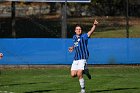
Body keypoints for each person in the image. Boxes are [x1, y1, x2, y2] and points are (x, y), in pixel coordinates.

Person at [68, 20, 98, 93]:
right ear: (75, 31)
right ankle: (85, 71)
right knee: (73, 75)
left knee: (79, 73)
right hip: (76, 58)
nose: (79, 30)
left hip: (83, 58)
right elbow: (76, 44)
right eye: (77, 29)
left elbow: (91, 31)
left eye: (80, 29)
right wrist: (72, 47)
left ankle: (83, 89)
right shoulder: (74, 37)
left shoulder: (84, 36)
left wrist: (94, 25)